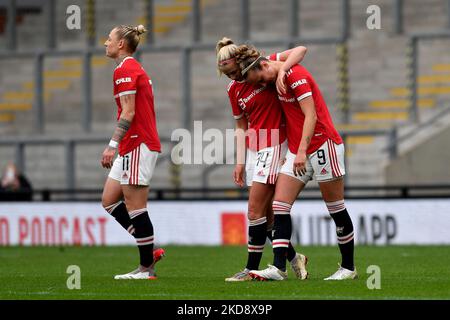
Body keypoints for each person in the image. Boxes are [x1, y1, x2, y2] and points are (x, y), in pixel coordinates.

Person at [235, 44, 357, 281]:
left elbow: (311, 115)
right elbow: (297, 51)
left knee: (336, 209)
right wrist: (281, 70)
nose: (260, 84)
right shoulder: (270, 66)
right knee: (280, 205)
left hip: (322, 144)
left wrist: (302, 151)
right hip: (297, 148)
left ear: (264, 66)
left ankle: (349, 268)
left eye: (259, 78)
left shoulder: (297, 76)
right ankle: (279, 267)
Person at [216, 37, 311, 282]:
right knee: (266, 216)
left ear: (241, 63)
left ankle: (250, 270)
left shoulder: (262, 67)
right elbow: (240, 126)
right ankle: (294, 258)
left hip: (275, 145)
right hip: (253, 150)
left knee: (254, 210)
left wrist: (283, 72)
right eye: (227, 75)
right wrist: (239, 161)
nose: (233, 78)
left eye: (234, 72)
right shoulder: (233, 89)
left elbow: (300, 50)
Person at [101, 24, 164, 280]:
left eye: (109, 38)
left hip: (137, 143)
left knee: (136, 207)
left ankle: (146, 268)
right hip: (133, 144)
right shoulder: (128, 68)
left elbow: (129, 112)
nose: (105, 43)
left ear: (120, 45)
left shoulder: (126, 69)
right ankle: (149, 251)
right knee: (109, 200)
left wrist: (111, 145)